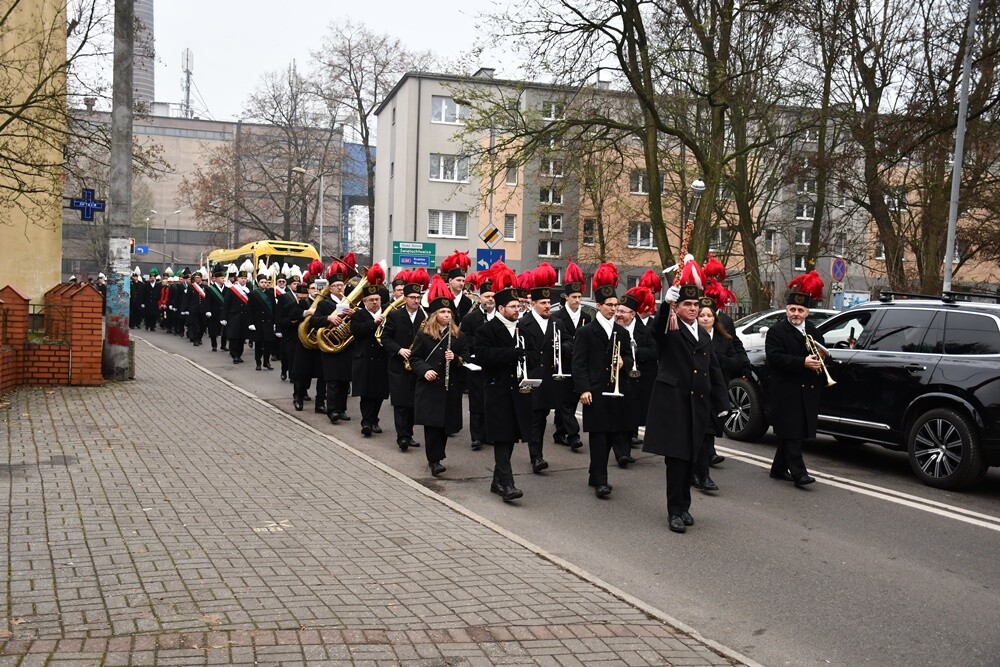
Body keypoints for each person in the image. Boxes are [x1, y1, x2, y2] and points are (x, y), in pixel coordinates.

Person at [642, 280, 729, 533]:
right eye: (687, 304)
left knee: (692, 457)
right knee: (677, 460)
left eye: (695, 304)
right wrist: (664, 304)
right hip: (674, 404)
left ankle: (685, 507)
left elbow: (713, 369)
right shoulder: (670, 327)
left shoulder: (702, 333)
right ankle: (674, 511)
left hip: (698, 404)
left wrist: (722, 402)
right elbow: (656, 330)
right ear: (677, 307)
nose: (692, 308)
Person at [571, 264, 634, 499]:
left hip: (616, 390)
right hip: (595, 390)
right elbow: (578, 363)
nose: (614, 309)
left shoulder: (622, 332)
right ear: (599, 306)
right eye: (609, 305)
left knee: (610, 436)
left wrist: (624, 362)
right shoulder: (586, 332)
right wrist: (583, 389)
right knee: (598, 436)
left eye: (616, 305)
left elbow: (629, 357)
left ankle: (594, 473)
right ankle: (601, 480)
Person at [475, 279, 535, 502]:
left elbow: (535, 355)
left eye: (519, 306)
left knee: (510, 438)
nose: (518, 309)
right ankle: (508, 484)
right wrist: (511, 354)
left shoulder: (523, 329)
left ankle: (497, 481)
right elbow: (482, 356)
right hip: (497, 391)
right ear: (501, 308)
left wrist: (526, 357)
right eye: (513, 306)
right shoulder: (487, 330)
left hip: (519, 391)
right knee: (501, 437)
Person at [765, 286, 828, 487]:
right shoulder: (776, 331)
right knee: (792, 432)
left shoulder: (813, 331)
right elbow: (774, 358)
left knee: (795, 431)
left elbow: (821, 353)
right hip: (786, 389)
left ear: (807, 312)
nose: (796, 314)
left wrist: (820, 360)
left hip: (807, 388)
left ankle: (778, 468)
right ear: (786, 310)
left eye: (800, 310)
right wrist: (802, 362)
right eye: (792, 309)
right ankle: (799, 473)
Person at [410, 276, 469, 476]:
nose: (446, 315)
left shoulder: (459, 336)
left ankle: (438, 456)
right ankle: (434, 460)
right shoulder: (424, 335)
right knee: (432, 425)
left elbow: (466, 357)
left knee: (445, 425)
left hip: (450, 387)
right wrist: (425, 370)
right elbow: (415, 358)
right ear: (435, 315)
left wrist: (457, 358)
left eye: (449, 312)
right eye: (443, 312)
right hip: (430, 387)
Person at [691, 297, 748, 492]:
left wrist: (717, 357)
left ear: (715, 319)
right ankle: (694, 473)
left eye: (709, 315)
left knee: (708, 435)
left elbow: (735, 363)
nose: (706, 319)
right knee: (695, 436)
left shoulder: (724, 339)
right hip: (695, 392)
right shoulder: (690, 337)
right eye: (702, 315)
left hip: (715, 392)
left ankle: (704, 475)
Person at [518, 273, 567, 474]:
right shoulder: (523, 323)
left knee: (543, 416)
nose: (547, 306)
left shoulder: (557, 323)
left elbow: (569, 343)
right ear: (533, 304)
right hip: (532, 374)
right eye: (543, 303)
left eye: (548, 303)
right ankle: (536, 457)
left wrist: (562, 346)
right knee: (535, 418)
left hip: (550, 376)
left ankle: (537, 453)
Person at [382, 280, 426, 450]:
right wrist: (399, 350)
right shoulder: (394, 315)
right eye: (412, 297)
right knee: (400, 403)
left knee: (413, 403)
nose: (416, 300)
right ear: (405, 298)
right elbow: (385, 338)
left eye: (418, 297)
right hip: (398, 366)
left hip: (417, 366)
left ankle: (409, 434)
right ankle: (402, 437)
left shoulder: (425, 316)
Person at [614, 287, 657, 461]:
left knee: (632, 415)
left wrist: (636, 350)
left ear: (632, 314)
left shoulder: (645, 331)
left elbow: (654, 352)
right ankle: (622, 453)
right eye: (617, 311)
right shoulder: (612, 329)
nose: (618, 315)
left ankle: (626, 447)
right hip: (619, 378)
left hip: (640, 380)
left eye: (622, 312)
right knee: (620, 416)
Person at [310, 261, 355, 423]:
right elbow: (314, 321)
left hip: (345, 347)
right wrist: (328, 318)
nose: (339, 288)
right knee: (333, 382)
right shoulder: (324, 303)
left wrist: (353, 314)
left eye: (341, 285)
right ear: (330, 288)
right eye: (336, 286)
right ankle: (332, 411)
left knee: (344, 381)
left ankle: (342, 409)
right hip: (330, 348)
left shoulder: (349, 302)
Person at [349, 266, 390, 437]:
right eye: (371, 300)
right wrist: (374, 323)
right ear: (364, 301)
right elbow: (356, 331)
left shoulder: (388, 314)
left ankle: (374, 420)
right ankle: (366, 421)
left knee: (379, 392)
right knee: (365, 393)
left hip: (382, 358)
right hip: (364, 358)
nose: (375, 302)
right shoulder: (358, 315)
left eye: (377, 299)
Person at [458, 279, 496, 451]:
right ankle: (476, 436)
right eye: (487, 296)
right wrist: (484, 343)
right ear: (480, 298)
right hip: (476, 365)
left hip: (494, 364)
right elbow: (465, 338)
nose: (490, 299)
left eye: (493, 296)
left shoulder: (500, 317)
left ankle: (489, 434)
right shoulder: (470, 318)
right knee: (476, 401)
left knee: (492, 401)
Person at [288, 279, 325, 414]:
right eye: (313, 288)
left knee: (322, 375)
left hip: (320, 343)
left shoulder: (325, 303)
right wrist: (306, 312)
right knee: (302, 373)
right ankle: (298, 398)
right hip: (305, 344)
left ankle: (320, 403)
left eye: (318, 288)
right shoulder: (303, 302)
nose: (316, 290)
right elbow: (292, 314)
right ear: (308, 290)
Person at [248, 273, 277, 371]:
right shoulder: (253, 294)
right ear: (258, 283)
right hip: (258, 323)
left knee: (268, 344)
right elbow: (250, 309)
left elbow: (274, 309)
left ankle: (266, 362)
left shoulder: (270, 294)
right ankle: (258, 362)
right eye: (262, 282)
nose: (264, 284)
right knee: (259, 344)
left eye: (265, 282)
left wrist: (275, 322)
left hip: (268, 323)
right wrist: (251, 323)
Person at [222, 270, 251, 364]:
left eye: (245, 278)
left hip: (245, 317)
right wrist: (223, 317)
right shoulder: (231, 289)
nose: (243, 280)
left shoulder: (248, 289)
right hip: (234, 316)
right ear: (238, 279)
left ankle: (239, 354)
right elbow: (226, 304)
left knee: (242, 337)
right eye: (241, 278)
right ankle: (234, 355)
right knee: (234, 336)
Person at [202, 266, 227, 351]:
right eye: (221, 278)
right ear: (216, 279)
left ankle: (223, 345)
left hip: (223, 312)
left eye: (223, 277)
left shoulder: (227, 289)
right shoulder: (210, 289)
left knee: (224, 329)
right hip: (213, 312)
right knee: (213, 329)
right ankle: (214, 345)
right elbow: (207, 301)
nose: (223, 279)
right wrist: (207, 310)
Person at [184, 270, 207, 346]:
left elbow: (207, 299)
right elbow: (187, 298)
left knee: (203, 325)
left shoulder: (205, 287)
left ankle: (199, 338)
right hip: (194, 309)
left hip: (203, 309)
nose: (197, 279)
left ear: (201, 278)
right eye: (196, 277)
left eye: (198, 277)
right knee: (195, 325)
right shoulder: (191, 286)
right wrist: (186, 308)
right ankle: (196, 340)